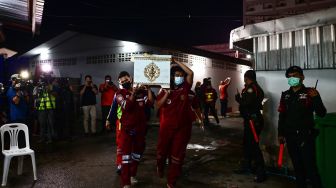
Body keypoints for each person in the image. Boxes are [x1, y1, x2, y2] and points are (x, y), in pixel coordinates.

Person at [278, 66, 326, 188]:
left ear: (302, 77)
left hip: (305, 137)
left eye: (295, 75)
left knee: (311, 169)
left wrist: (316, 98)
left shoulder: (310, 93)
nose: (292, 78)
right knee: (298, 168)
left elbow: (322, 113)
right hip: (290, 136)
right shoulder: (285, 95)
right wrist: (280, 133)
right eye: (289, 77)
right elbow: (282, 116)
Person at [156, 59, 193, 188]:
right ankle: (160, 166)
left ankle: (171, 181)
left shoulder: (185, 88)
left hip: (181, 129)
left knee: (177, 155)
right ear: (172, 76)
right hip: (166, 128)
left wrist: (176, 61)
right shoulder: (164, 89)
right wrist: (166, 95)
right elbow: (157, 106)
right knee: (161, 153)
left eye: (181, 75)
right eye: (177, 75)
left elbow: (191, 73)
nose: (179, 77)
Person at [113, 71, 154, 188]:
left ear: (131, 79)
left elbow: (150, 102)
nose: (125, 82)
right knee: (126, 157)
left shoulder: (142, 93)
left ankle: (132, 175)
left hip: (140, 130)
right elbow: (126, 106)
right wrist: (134, 93)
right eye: (122, 81)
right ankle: (125, 182)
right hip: (127, 130)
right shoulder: (119, 94)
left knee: (137, 155)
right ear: (120, 83)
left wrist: (149, 89)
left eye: (126, 80)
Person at [234, 70, 266, 182]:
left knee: (254, 146)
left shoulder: (252, 89)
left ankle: (261, 172)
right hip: (251, 120)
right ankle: (246, 166)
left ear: (246, 78)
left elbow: (247, 103)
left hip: (253, 121)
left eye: (245, 78)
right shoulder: (255, 88)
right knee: (247, 145)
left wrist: (238, 99)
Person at [34, 75, 57, 143]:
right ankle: (42, 138)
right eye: (40, 80)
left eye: (42, 80)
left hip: (50, 108)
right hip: (41, 108)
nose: (41, 81)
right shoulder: (38, 87)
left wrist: (49, 90)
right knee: (42, 124)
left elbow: (56, 95)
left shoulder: (51, 86)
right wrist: (38, 89)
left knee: (50, 124)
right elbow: (35, 97)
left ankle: (50, 138)